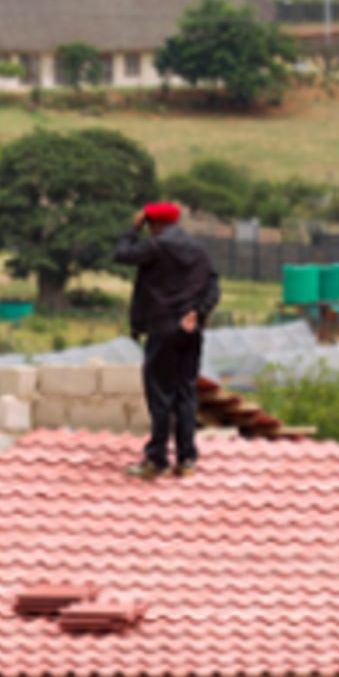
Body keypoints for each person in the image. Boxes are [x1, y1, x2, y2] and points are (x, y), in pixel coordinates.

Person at [112, 201, 221, 480]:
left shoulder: (157, 246)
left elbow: (121, 254)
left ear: (155, 225)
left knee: (160, 395)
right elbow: (213, 285)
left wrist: (132, 228)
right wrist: (198, 312)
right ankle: (186, 460)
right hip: (190, 329)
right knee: (186, 393)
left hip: (163, 327)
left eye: (148, 225)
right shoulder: (198, 249)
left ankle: (156, 458)